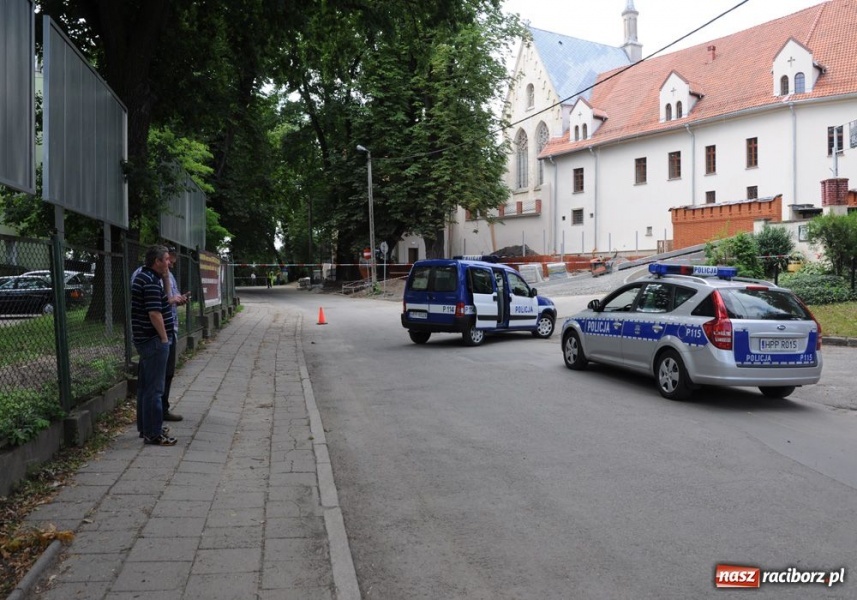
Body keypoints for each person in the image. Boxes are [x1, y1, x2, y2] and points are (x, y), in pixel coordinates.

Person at [130, 245, 177, 446]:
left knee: (145, 387)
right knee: (155, 390)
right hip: (154, 340)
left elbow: (165, 299)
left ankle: (146, 428)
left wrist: (165, 278)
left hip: (147, 339)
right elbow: (154, 313)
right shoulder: (149, 281)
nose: (169, 263)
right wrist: (164, 338)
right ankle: (153, 433)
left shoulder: (148, 277)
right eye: (166, 259)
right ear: (156, 261)